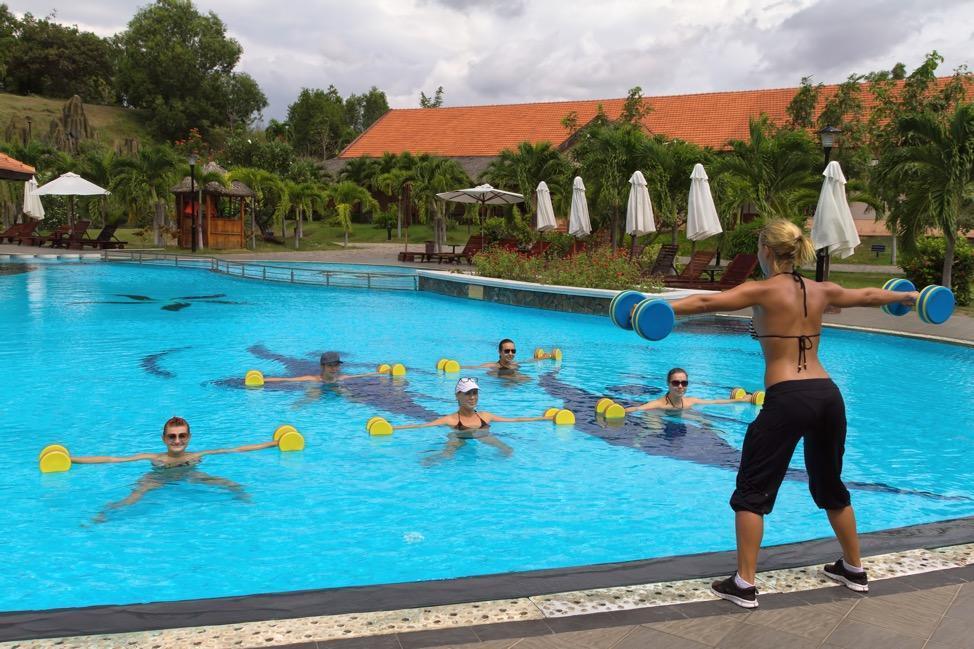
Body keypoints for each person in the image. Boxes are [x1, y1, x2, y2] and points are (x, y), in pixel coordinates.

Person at [664, 219, 918, 609]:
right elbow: (869, 295)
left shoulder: (762, 290)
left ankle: (744, 583)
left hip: (788, 396)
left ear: (766, 251)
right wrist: (907, 298)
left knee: (752, 489)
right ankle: (853, 568)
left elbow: (703, 303)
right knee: (831, 485)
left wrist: (650, 309)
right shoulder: (819, 290)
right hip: (828, 395)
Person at [72, 416, 279, 523]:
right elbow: (112, 459)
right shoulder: (154, 457)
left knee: (231, 485)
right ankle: (103, 515)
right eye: (172, 436)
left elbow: (237, 449)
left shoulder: (196, 456)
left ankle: (247, 503)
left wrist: (273, 443)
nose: (177, 440)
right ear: (164, 439)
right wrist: (73, 460)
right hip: (157, 478)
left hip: (190, 474)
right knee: (130, 500)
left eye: (182, 436)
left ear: (188, 438)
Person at [391, 377, 554, 463]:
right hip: (460, 436)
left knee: (507, 450)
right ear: (458, 396)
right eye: (468, 393)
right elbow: (421, 426)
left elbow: (515, 420)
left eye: (475, 393)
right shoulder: (451, 419)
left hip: (482, 434)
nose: (472, 397)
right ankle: (429, 462)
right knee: (447, 455)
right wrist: (392, 429)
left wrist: (544, 418)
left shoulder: (485, 416)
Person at [624, 368, 754, 412]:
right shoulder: (659, 404)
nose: (680, 386)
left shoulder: (689, 401)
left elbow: (714, 402)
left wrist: (741, 400)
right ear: (668, 384)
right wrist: (620, 411)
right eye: (676, 382)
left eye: (684, 383)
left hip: (680, 415)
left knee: (706, 422)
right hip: (657, 416)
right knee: (653, 430)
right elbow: (638, 409)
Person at [262, 351, 382, 385]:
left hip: (334, 388)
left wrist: (379, 373)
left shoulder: (341, 377)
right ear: (322, 366)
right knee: (312, 395)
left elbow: (362, 375)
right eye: (330, 365)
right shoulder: (313, 379)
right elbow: (287, 380)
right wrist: (263, 380)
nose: (334, 368)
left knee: (347, 395)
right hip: (318, 388)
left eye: (336, 365)